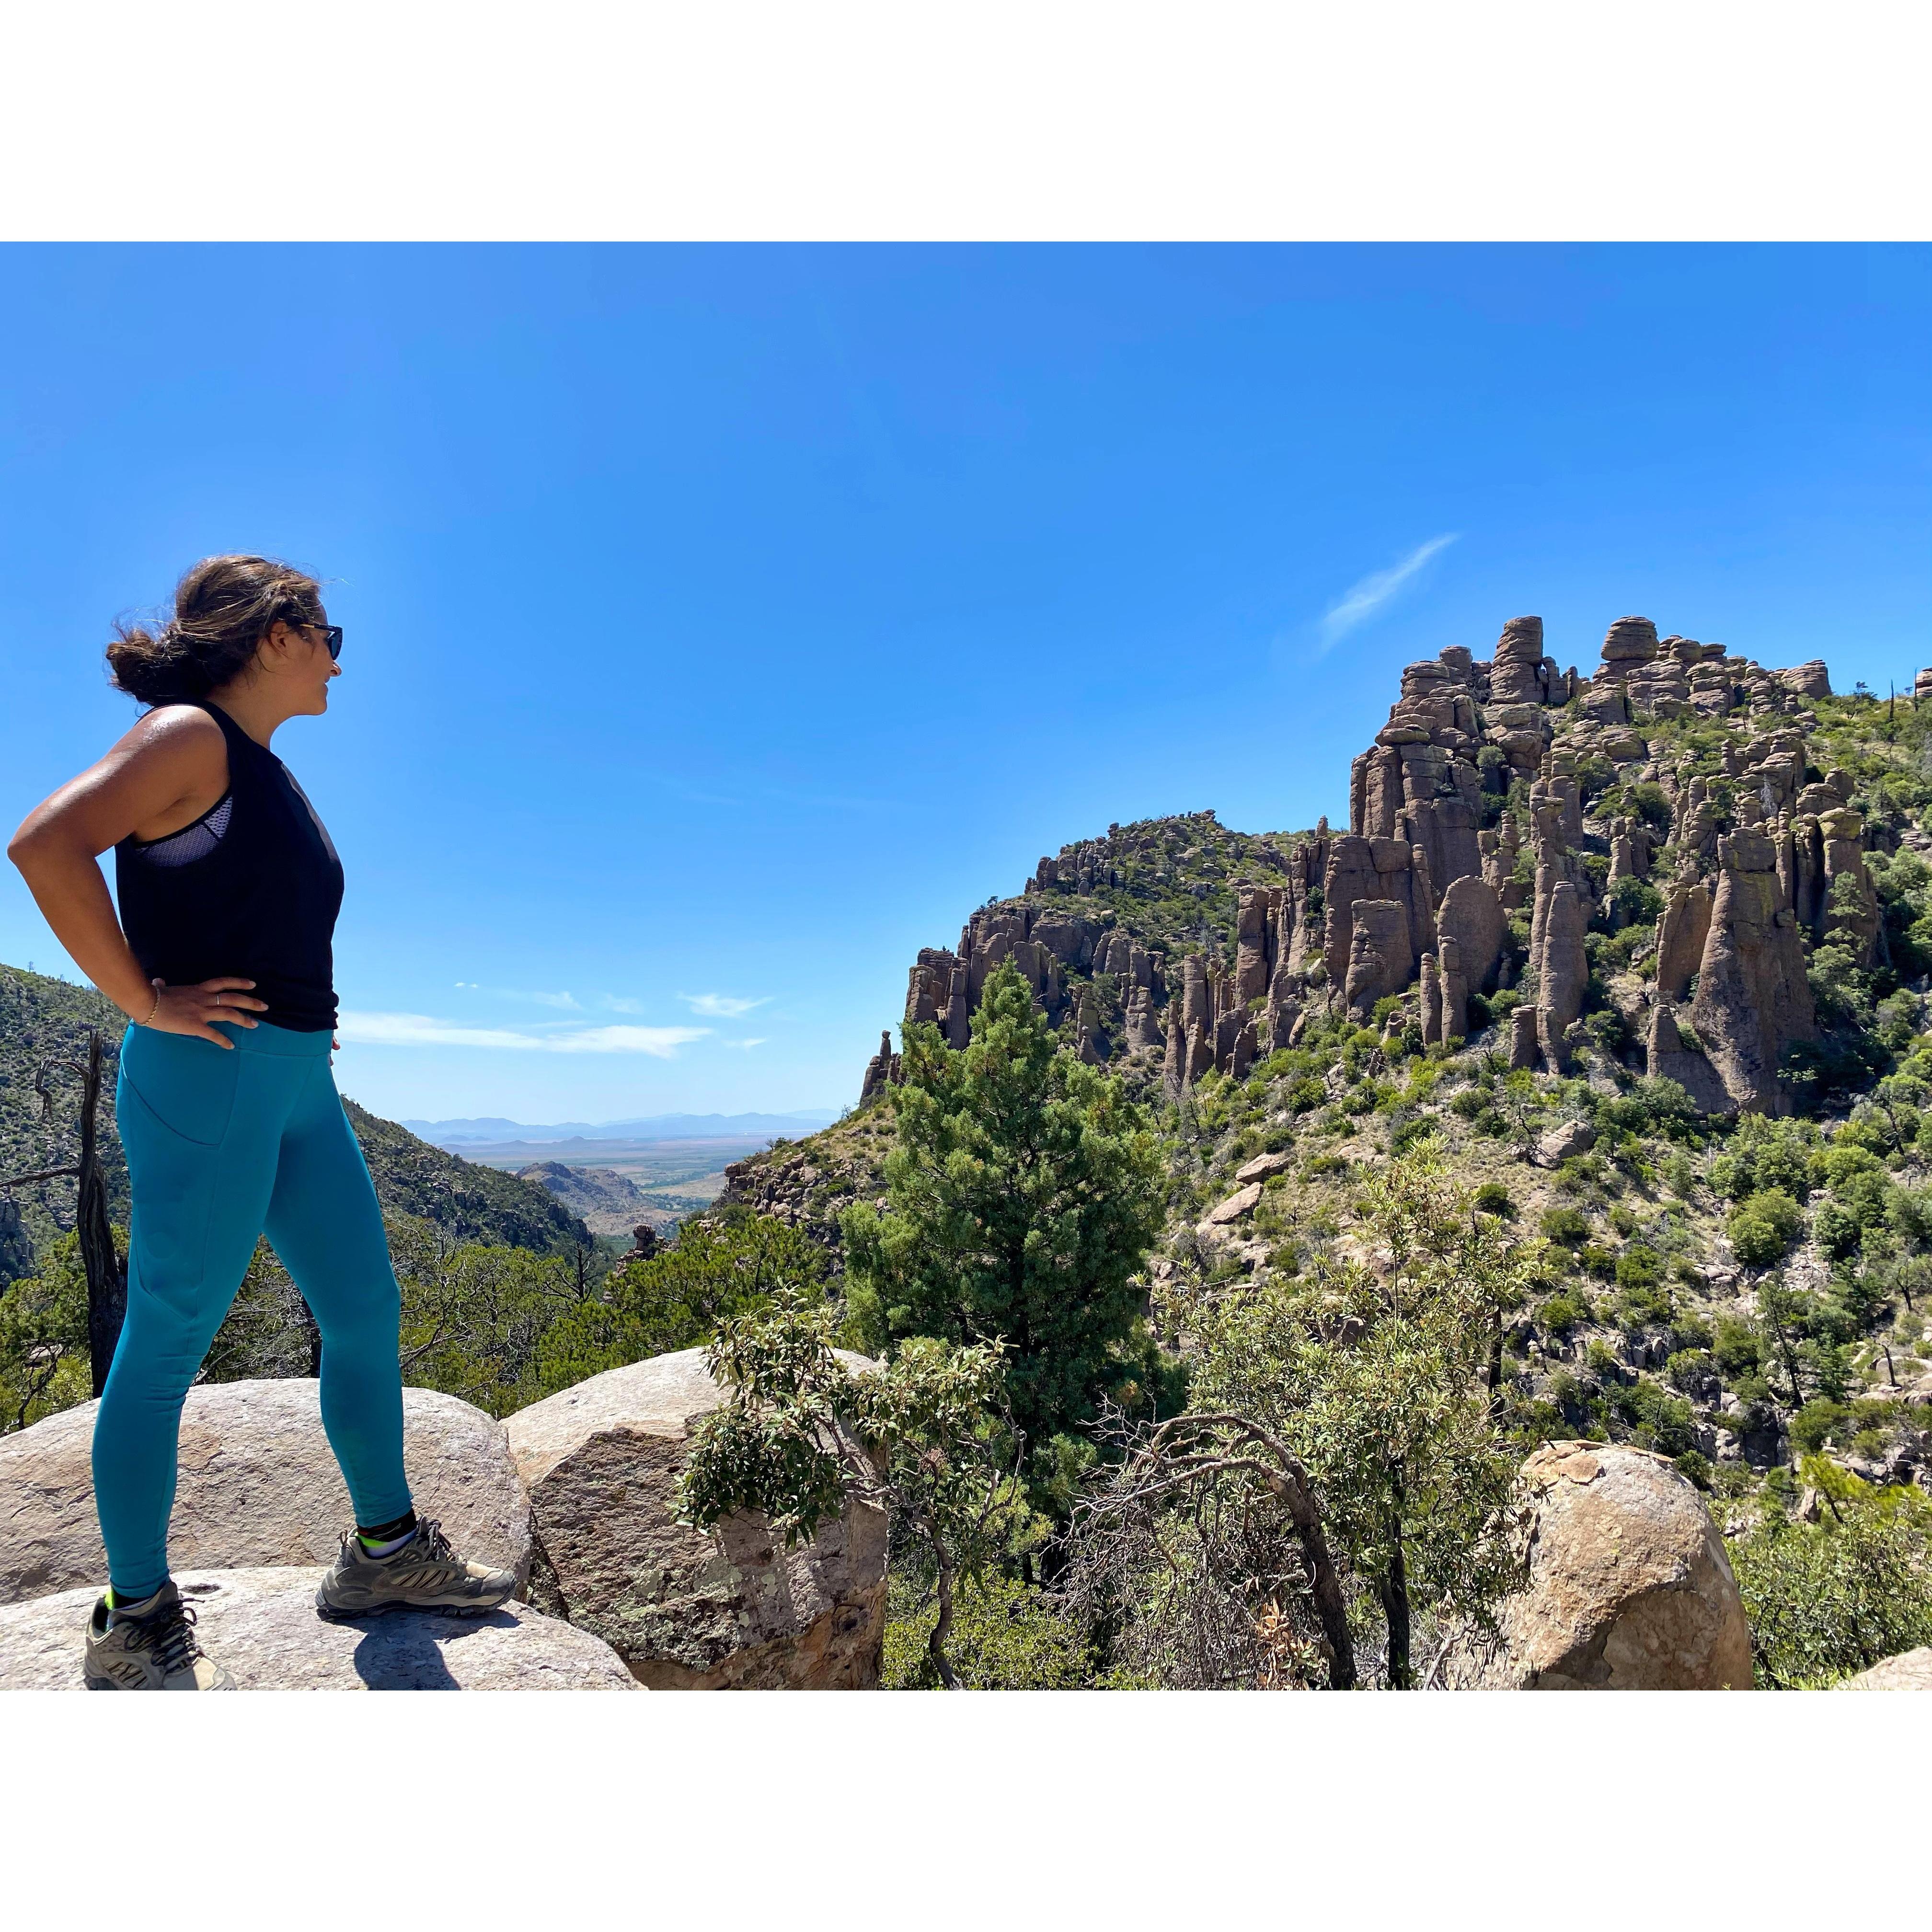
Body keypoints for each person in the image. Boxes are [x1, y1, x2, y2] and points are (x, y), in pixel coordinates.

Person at [8, 555, 515, 1690]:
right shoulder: (189, 736)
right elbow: (44, 843)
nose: (341, 657)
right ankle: (132, 1615)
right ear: (278, 632)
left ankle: (385, 1554)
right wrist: (140, 998)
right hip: (209, 1079)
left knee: (364, 1308)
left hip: (290, 1087)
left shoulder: (263, 768)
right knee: (169, 1339)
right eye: (331, 633)